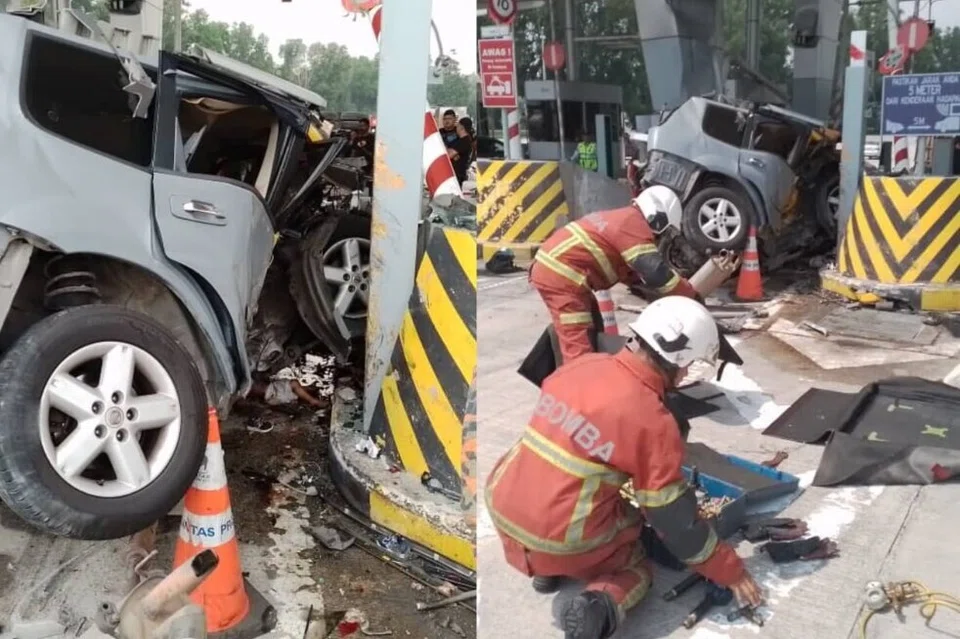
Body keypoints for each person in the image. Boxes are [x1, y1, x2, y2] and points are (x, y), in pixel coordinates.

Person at [485, 296, 764, 639]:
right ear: (680, 360)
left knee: (586, 486)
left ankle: (548, 569)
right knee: (635, 558)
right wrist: (729, 569)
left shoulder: (581, 366)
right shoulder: (652, 420)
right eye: (690, 365)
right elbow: (674, 522)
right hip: (559, 537)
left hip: (503, 504)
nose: (688, 373)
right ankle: (597, 606)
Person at [529, 195, 699, 363]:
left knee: (593, 328)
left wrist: (649, 292)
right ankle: (578, 382)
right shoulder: (633, 224)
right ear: (657, 219)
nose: (659, 239)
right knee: (578, 337)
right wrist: (690, 295)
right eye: (663, 233)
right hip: (562, 276)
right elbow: (656, 272)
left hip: (563, 272)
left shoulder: (623, 218)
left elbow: (628, 270)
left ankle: (589, 372)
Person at [447, 117, 474, 187]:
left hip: (458, 176)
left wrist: (450, 151)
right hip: (453, 175)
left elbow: (449, 155)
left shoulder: (465, 141)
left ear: (462, 127)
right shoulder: (459, 140)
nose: (456, 127)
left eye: (458, 125)